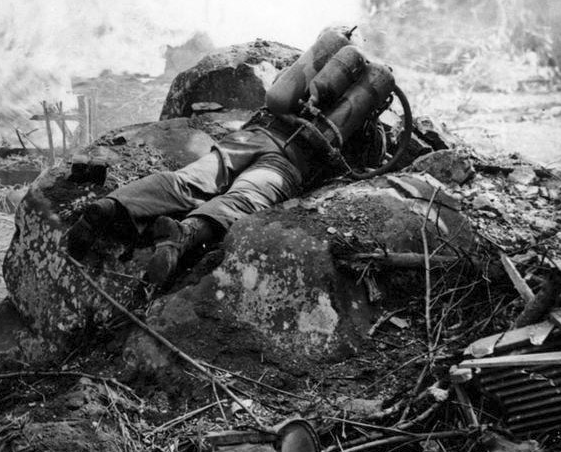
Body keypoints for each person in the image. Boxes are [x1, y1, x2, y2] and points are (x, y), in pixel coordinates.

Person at [65, 31, 400, 285]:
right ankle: (184, 234)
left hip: (251, 136)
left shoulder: (312, 73)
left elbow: (278, 93)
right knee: (243, 198)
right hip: (288, 163)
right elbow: (364, 161)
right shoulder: (365, 119)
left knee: (190, 180)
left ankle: (113, 206)